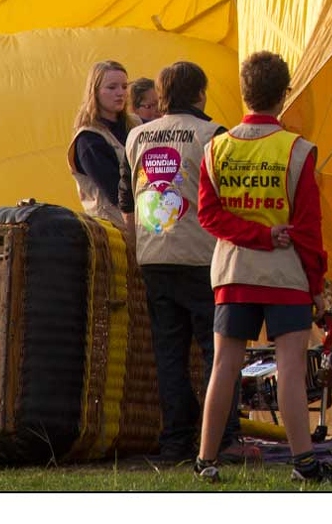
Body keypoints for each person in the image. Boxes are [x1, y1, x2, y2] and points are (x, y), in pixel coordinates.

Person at [193, 51, 332, 484]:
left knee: (224, 364)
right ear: (285, 95)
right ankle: (304, 463)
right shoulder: (298, 151)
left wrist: (254, 235)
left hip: (233, 271)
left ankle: (207, 461)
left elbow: (208, 216)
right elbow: (308, 229)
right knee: (291, 368)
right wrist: (317, 286)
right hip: (285, 275)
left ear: (244, 93)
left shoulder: (215, 149)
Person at [120, 60, 226, 462]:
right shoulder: (211, 135)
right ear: (200, 93)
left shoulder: (136, 137)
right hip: (202, 256)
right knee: (216, 352)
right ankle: (222, 437)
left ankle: (175, 441)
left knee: (169, 354)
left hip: (154, 256)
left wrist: (140, 250)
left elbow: (126, 204)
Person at [67, 60, 134, 228]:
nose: (120, 93)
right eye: (112, 87)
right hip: (115, 232)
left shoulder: (136, 125)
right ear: (95, 92)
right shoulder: (89, 139)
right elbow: (117, 193)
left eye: (124, 87)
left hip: (148, 224)